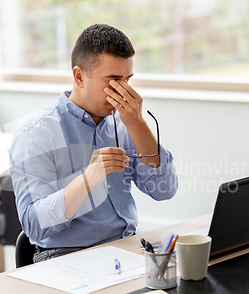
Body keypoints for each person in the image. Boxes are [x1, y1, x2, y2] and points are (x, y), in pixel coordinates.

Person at [9, 23, 178, 263]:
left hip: (126, 248)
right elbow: (34, 226)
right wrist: (88, 180)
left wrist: (138, 124)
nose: (123, 90)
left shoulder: (125, 123)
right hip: (66, 256)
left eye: (128, 79)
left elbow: (165, 190)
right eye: (113, 79)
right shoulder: (36, 134)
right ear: (79, 76)